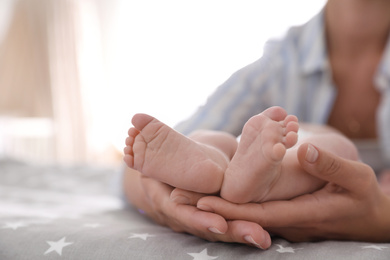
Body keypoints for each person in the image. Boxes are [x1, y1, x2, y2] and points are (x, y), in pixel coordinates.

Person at [122, 0, 390, 249]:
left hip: (251, 154)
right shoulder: (275, 67)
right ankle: (238, 171)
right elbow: (129, 172)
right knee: (334, 152)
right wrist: (159, 202)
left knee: (221, 142)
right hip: (285, 152)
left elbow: (136, 156)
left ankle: (212, 158)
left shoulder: (276, 64)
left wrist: (383, 221)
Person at [124, 106, 358, 204]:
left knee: (217, 139)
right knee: (343, 150)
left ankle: (208, 157)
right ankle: (256, 180)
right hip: (274, 147)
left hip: (248, 149)